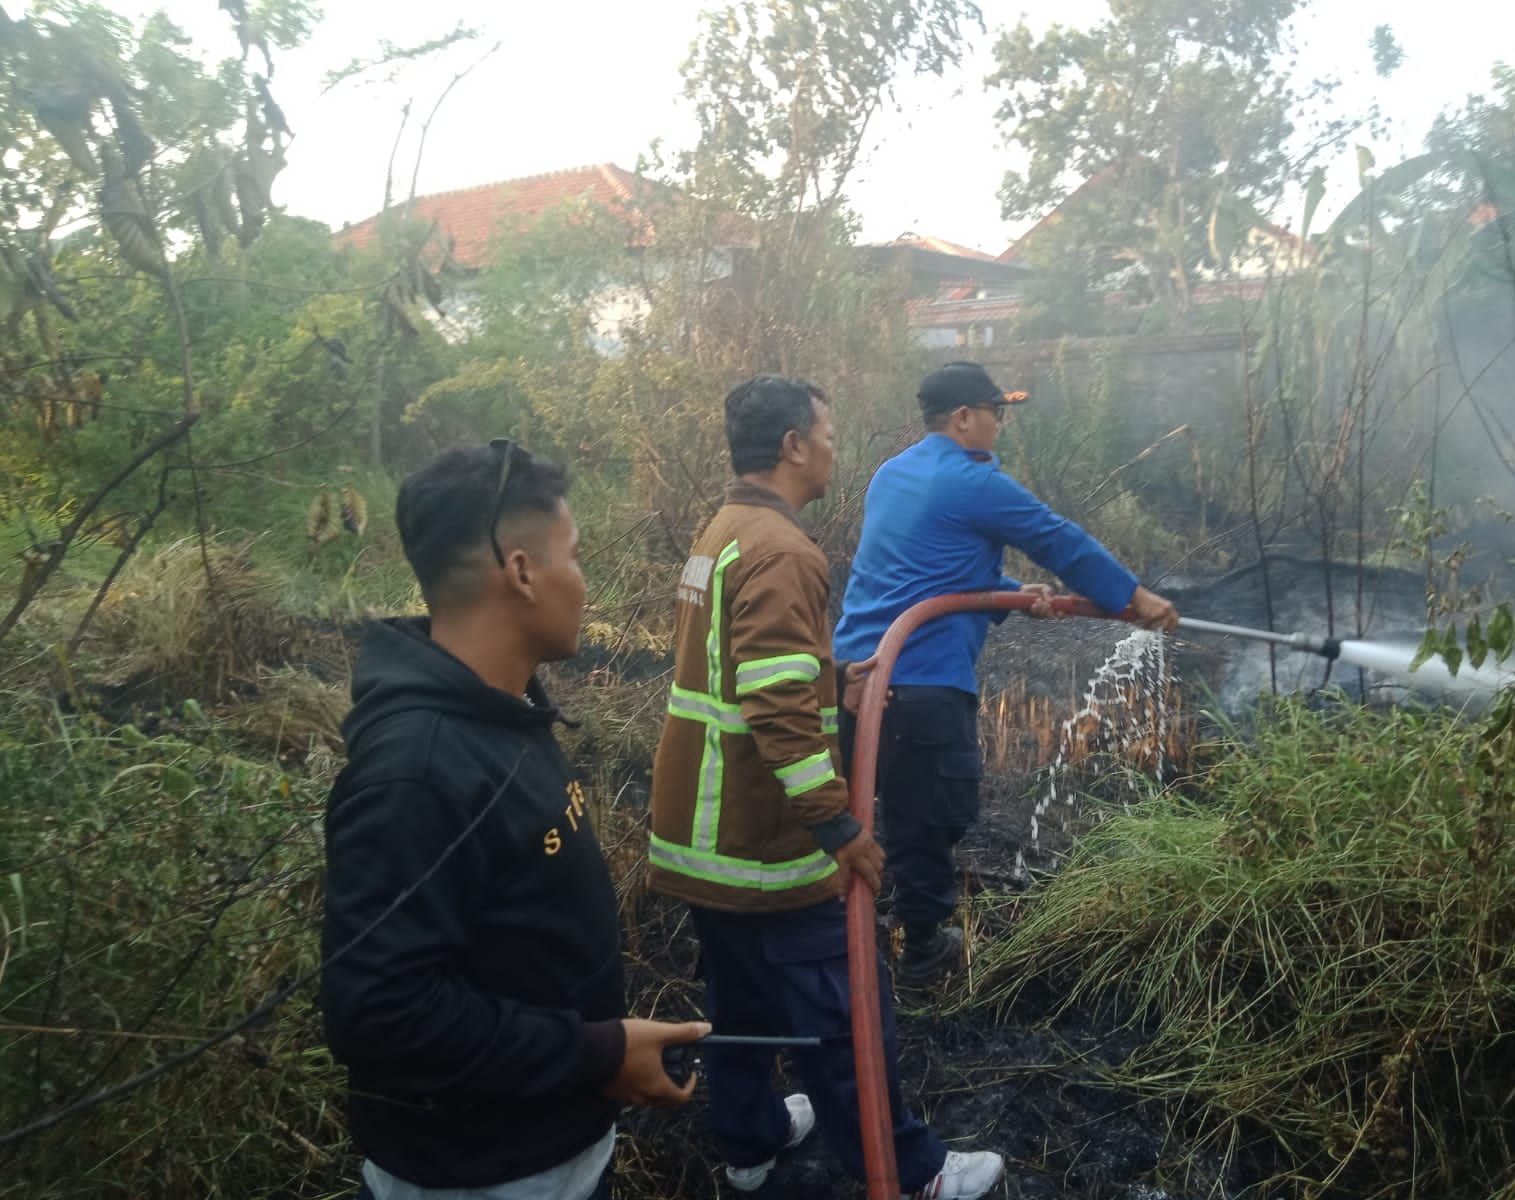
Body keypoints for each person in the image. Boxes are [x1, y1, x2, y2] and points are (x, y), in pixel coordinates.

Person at [648, 375, 1005, 1200]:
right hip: (767, 841)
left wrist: (833, 676)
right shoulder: (782, 550)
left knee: (736, 1000)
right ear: (792, 446)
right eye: (829, 434)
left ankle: (751, 1142)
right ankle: (909, 1171)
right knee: (847, 1010)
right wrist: (838, 827)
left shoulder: (725, 530)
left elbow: (749, 673)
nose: (835, 449)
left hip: (707, 840)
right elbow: (774, 708)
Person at [320, 441, 709, 1200]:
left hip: (548, 1148)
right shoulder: (418, 770)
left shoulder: (502, 712)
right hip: (479, 1175)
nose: (585, 584)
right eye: (575, 556)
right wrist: (595, 1054)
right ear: (522, 571)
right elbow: (377, 1013)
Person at [834, 361, 1180, 984]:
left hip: (859, 681)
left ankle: (848, 932)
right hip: (920, 685)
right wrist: (1135, 598)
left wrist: (1008, 592)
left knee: (868, 811)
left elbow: (921, 567)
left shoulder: (894, 475)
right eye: (997, 412)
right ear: (964, 417)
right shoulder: (973, 482)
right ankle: (921, 952)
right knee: (933, 818)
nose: (1002, 423)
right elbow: (1058, 539)